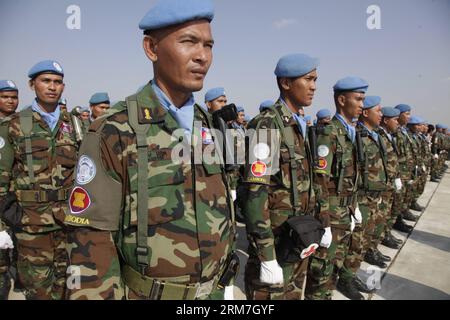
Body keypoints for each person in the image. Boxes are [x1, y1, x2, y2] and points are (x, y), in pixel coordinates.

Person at [65, 0, 237, 300]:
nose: (202, 56)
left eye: (209, 45)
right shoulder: (115, 129)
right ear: (152, 48)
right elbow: (90, 241)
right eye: (189, 42)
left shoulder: (208, 125)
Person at [243, 53, 320, 300]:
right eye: (308, 79)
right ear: (286, 83)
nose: (314, 86)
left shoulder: (297, 125)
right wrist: (266, 256)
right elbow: (255, 194)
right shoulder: (267, 126)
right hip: (276, 244)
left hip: (298, 239)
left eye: (315, 79)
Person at [0, 60, 78, 300]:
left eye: (57, 82)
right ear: (32, 84)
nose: (52, 87)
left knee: (68, 285)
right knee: (38, 288)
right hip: (32, 223)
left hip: (69, 221)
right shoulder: (14, 124)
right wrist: (8, 219)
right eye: (46, 81)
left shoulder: (75, 125)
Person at [306, 76, 368, 300]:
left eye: (363, 99)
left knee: (334, 268)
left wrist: (354, 207)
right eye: (358, 99)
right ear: (342, 100)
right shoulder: (329, 133)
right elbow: (319, 181)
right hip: (331, 216)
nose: (362, 105)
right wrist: (324, 222)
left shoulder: (350, 133)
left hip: (345, 213)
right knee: (322, 273)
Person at [0, 79, 20, 300]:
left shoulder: (19, 124)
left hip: (15, 202)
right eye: (5, 96)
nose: (10, 101)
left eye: (13, 97)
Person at [378, 107, 403, 249]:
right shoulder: (379, 136)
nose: (397, 123)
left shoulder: (387, 135)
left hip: (389, 182)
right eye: (395, 120)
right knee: (381, 216)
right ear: (386, 121)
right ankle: (375, 244)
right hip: (383, 184)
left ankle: (384, 234)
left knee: (386, 213)